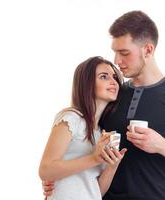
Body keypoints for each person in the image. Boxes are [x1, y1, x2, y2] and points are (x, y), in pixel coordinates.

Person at [43, 10, 165, 200]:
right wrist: (60, 180)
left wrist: (162, 145)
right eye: (115, 52)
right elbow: (80, 142)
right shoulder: (111, 94)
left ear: (147, 50)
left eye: (124, 53)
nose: (117, 61)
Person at [39, 56, 127, 200]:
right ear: (87, 83)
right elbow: (45, 170)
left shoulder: (101, 132)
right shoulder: (71, 118)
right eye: (104, 77)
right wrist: (94, 159)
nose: (114, 82)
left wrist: (112, 166)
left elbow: (96, 190)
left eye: (115, 77)